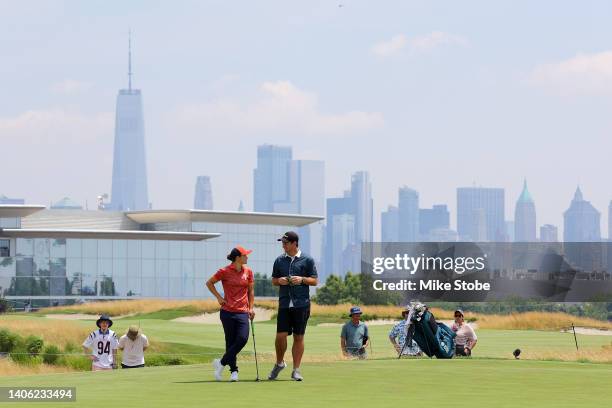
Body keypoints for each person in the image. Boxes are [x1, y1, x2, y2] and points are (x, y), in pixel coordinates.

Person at [268, 231, 318, 382]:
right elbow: (274, 280)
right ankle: (279, 363)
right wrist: (280, 281)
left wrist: (302, 279)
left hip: (301, 304)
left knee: (299, 337)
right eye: (282, 243)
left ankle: (296, 370)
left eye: (285, 243)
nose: (283, 245)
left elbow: (314, 281)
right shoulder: (279, 260)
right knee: (280, 336)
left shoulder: (307, 259)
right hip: (284, 304)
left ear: (294, 243)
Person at [206, 246, 255, 382]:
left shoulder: (248, 272)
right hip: (227, 312)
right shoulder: (224, 271)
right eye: (245, 255)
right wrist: (219, 297)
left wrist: (251, 308)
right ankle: (234, 372)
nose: (247, 257)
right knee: (230, 342)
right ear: (238, 258)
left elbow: (251, 291)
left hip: (242, 312)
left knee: (242, 339)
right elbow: (209, 283)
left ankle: (220, 363)